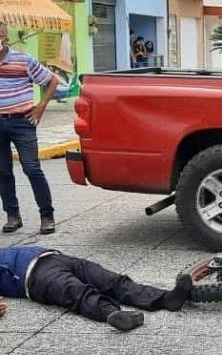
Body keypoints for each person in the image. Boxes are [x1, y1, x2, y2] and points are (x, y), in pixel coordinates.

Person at [0, 246, 193, 331]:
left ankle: (165, 298)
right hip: (33, 276)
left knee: (110, 279)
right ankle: (112, 314)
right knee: (76, 292)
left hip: (53, 257)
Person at [0, 22, 60, 235]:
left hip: (22, 122)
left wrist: (41, 107)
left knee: (31, 167)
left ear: (4, 37)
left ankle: (47, 215)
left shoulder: (23, 60)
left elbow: (52, 80)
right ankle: (12, 215)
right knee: (3, 171)